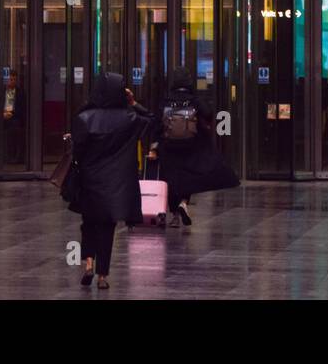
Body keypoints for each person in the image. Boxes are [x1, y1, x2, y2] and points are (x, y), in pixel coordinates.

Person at [68, 72, 153, 289]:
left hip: (89, 180)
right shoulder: (129, 119)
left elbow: (78, 149)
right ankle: (103, 275)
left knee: (89, 223)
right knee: (107, 227)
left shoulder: (85, 118)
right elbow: (154, 123)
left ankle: (88, 262)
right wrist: (134, 103)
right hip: (116, 183)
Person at [148, 74, 239, 227]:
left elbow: (156, 124)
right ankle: (183, 203)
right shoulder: (194, 99)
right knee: (188, 177)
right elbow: (208, 113)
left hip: (169, 146)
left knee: (170, 179)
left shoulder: (166, 100)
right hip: (190, 145)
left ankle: (175, 215)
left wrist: (154, 147)